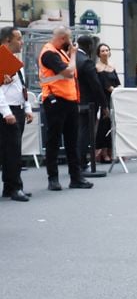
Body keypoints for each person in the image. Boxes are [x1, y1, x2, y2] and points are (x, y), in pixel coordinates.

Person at [39, 26, 93, 190]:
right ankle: (53, 179)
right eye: (69, 39)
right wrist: (74, 54)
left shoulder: (60, 52)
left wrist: (70, 55)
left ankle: (76, 178)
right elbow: (69, 73)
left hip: (69, 100)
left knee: (72, 141)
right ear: (63, 38)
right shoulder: (49, 53)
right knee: (54, 141)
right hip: (55, 100)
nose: (71, 42)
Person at [0, 26, 33, 201]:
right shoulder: (1, 59)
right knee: (12, 151)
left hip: (17, 109)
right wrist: (6, 112)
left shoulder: (13, 60)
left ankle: (9, 186)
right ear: (7, 40)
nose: (22, 42)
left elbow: (22, 86)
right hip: (8, 110)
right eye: (18, 39)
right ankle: (15, 187)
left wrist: (27, 108)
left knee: (13, 150)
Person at [76, 34, 108, 170]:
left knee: (79, 131)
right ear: (90, 46)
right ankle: (82, 161)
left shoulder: (72, 58)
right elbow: (96, 85)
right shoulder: (86, 61)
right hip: (88, 102)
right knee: (86, 132)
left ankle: (77, 161)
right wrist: (104, 105)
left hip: (75, 100)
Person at [95, 43, 120, 163]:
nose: (105, 52)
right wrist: (115, 91)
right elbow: (105, 85)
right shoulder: (97, 67)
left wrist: (119, 93)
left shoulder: (112, 66)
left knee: (113, 124)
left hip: (114, 97)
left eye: (107, 50)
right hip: (104, 98)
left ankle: (112, 151)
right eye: (102, 51)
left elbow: (117, 82)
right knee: (104, 125)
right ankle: (103, 153)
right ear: (99, 54)